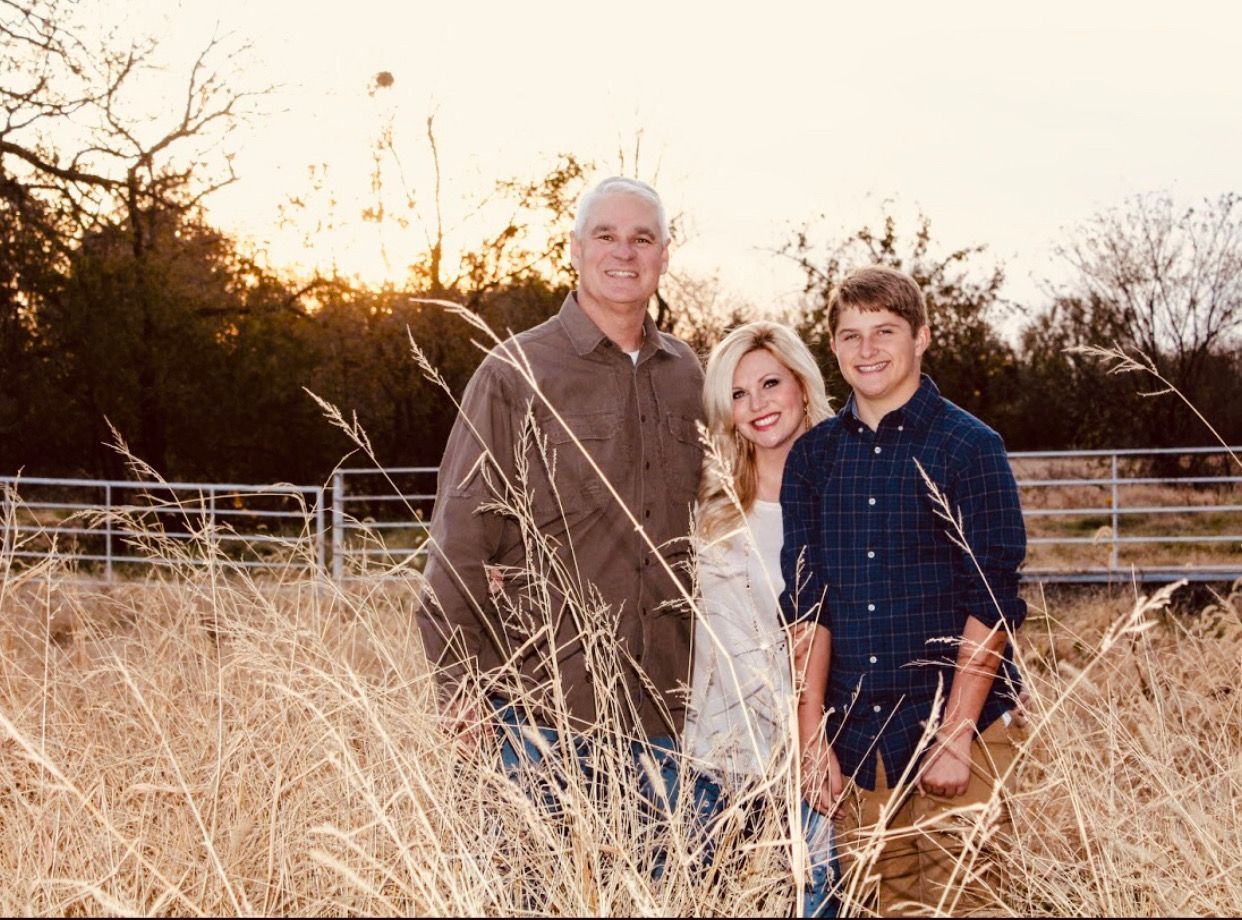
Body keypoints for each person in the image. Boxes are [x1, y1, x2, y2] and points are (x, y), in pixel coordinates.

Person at [417, 176, 705, 829]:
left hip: (667, 713)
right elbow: (457, 546)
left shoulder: (690, 377)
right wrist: (464, 688)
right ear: (574, 249)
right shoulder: (515, 373)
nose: (624, 253)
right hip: (540, 713)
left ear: (664, 254)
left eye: (642, 239)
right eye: (606, 235)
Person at [779, 265, 1028, 916]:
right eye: (851, 335)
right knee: (869, 906)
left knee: (964, 903)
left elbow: (994, 597)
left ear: (922, 337)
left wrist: (955, 732)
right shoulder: (815, 458)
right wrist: (812, 741)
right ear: (832, 346)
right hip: (857, 741)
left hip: (959, 737)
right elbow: (806, 604)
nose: (867, 350)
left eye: (884, 331)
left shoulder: (970, 446)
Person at [685, 321, 838, 917]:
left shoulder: (846, 492)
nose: (757, 406)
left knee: (815, 902)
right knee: (709, 903)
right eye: (739, 395)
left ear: (802, 384)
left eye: (770, 383)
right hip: (716, 753)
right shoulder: (708, 503)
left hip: (813, 751)